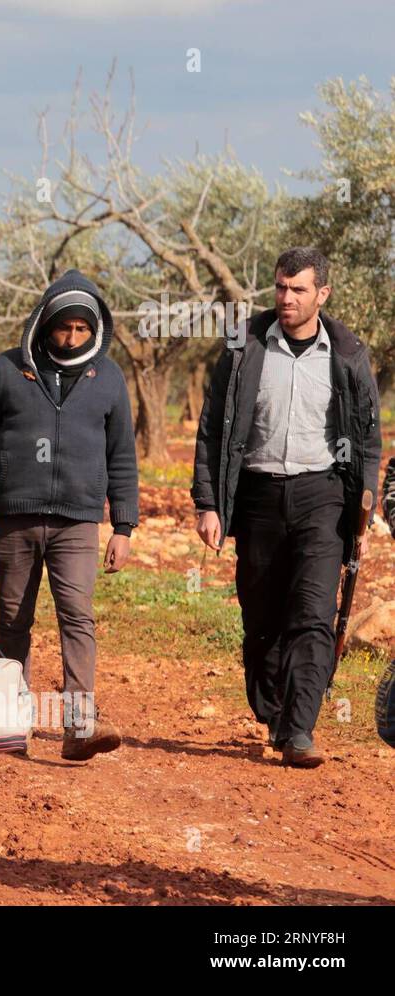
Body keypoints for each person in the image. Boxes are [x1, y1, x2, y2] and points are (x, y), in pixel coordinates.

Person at [193, 247, 380, 768]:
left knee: (314, 613)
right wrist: (208, 503)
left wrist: (363, 509)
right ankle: (274, 709)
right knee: (261, 616)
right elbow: (213, 430)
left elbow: (367, 437)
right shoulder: (244, 347)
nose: (287, 298)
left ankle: (300, 729)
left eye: (298, 289)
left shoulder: (345, 353)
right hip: (256, 495)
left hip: (323, 495)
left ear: (323, 293)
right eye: (280, 287)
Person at [0, 269, 138, 761]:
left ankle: (79, 725)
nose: (72, 336)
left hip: (78, 521)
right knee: (14, 619)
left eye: (82, 329)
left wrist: (123, 524)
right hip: (14, 516)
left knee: (76, 616)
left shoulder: (110, 378)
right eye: (64, 327)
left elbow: (122, 454)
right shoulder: (6, 370)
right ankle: (13, 722)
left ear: (95, 329)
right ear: (45, 323)